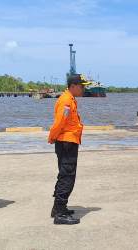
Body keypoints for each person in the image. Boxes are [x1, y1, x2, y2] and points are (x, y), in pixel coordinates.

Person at [48, 74, 91, 225]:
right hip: (66, 142)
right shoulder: (66, 101)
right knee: (67, 176)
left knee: (65, 174)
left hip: (69, 141)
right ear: (73, 86)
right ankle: (60, 213)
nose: (84, 89)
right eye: (82, 86)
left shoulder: (70, 99)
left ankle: (58, 208)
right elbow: (59, 122)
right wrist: (52, 137)